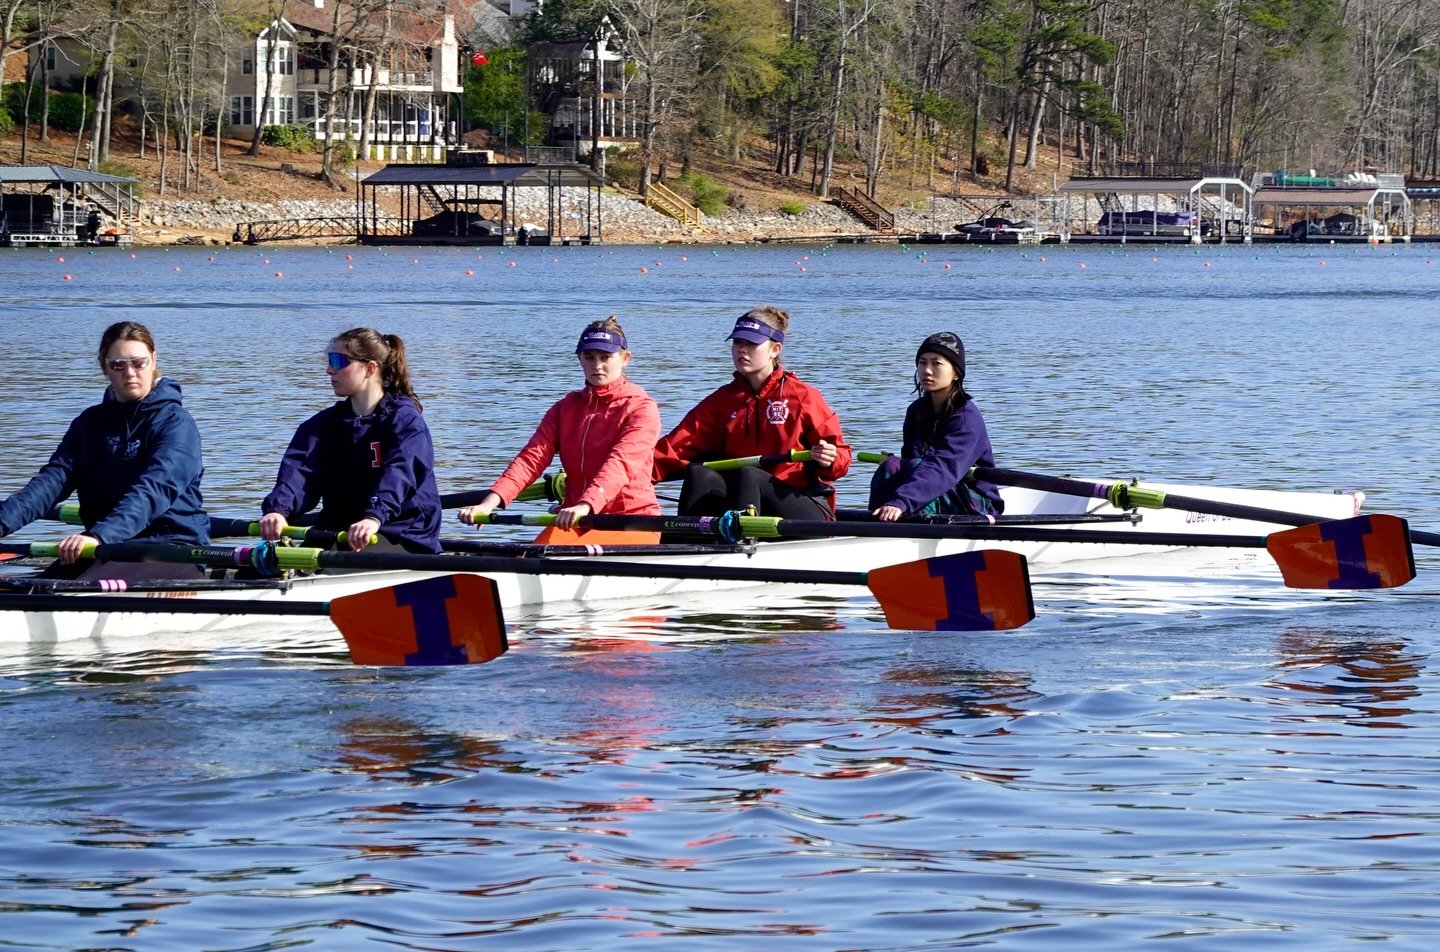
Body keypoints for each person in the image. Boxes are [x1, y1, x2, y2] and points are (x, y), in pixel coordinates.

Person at [0, 320, 208, 580]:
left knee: (64, 593)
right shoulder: (89, 424)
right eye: (118, 365)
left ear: (153, 361)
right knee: (31, 588)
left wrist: (98, 535)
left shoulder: (176, 424)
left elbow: (152, 491)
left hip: (171, 548)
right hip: (106, 547)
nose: (129, 373)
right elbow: (48, 485)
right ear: (105, 368)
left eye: (138, 363)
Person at [457, 317, 661, 537]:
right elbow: (530, 459)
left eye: (606, 357)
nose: (597, 365)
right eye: (589, 357)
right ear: (579, 359)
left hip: (630, 522)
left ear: (625, 359)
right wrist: (489, 503)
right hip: (575, 518)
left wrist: (586, 504)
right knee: (531, 555)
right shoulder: (565, 408)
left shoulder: (641, 408)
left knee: (547, 558)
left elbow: (620, 464)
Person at [652, 305, 851, 519]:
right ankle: (690, 543)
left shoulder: (803, 397)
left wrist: (829, 458)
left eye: (752, 343)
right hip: (741, 502)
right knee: (698, 473)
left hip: (801, 504)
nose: (742, 350)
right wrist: (624, 475)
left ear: (775, 350)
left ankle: (739, 542)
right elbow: (671, 451)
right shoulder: (721, 401)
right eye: (738, 342)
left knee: (749, 475)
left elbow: (842, 458)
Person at [259, 328, 441, 553]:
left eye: (338, 361)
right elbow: (299, 473)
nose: (329, 370)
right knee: (269, 564)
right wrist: (278, 510)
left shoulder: (406, 422)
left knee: (324, 563)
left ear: (370, 368)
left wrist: (374, 517)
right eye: (329, 360)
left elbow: (400, 474)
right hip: (341, 529)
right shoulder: (323, 425)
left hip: (400, 532)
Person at [868, 332, 1004, 521]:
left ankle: (904, 529)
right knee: (891, 466)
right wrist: (897, 466)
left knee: (918, 468)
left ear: (956, 373)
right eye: (922, 362)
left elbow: (942, 468)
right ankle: (876, 523)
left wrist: (901, 501)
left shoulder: (966, 418)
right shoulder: (916, 411)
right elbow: (912, 462)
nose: (927, 370)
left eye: (936, 363)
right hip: (930, 489)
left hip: (975, 505)